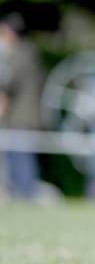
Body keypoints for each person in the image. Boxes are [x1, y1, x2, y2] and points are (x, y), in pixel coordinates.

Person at [0, 13, 44, 199]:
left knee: (21, 160)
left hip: (21, 118)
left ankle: (25, 196)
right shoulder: (29, 53)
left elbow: (6, 85)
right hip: (25, 117)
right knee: (21, 158)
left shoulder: (19, 55)